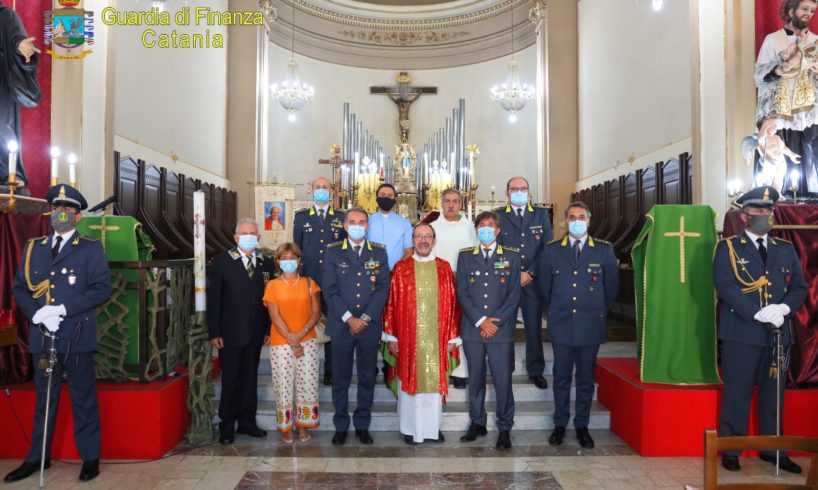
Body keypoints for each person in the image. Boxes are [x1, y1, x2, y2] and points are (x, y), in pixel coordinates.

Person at [6, 185, 110, 483]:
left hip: (76, 335)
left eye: (67, 210)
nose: (60, 214)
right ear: (49, 212)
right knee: (44, 401)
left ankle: (90, 458)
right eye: (56, 209)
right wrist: (37, 313)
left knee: (83, 399)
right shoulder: (33, 247)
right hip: (43, 336)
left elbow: (101, 288)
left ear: (77, 217)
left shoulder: (90, 247)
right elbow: (19, 288)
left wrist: (61, 309)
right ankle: (38, 458)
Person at [714, 186, 807, 474]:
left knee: (773, 395)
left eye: (768, 211)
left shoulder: (785, 249)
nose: (764, 216)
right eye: (758, 211)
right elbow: (726, 286)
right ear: (744, 216)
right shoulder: (727, 247)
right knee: (737, 393)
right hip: (741, 331)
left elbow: (799, 287)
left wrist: (783, 309)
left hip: (777, 333)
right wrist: (755, 312)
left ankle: (773, 449)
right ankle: (731, 449)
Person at [539, 202, 619, 449]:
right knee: (561, 377)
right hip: (561, 325)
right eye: (572, 217)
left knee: (585, 379)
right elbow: (545, 289)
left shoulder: (604, 250)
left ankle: (582, 425)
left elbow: (611, 290)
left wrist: (593, 312)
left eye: (581, 217)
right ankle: (560, 424)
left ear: (589, 220)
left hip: (590, 325)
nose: (576, 220)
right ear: (565, 221)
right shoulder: (552, 251)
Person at [382, 224, 460, 445]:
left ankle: (432, 428)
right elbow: (391, 304)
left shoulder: (444, 268)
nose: (423, 241)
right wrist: (392, 336)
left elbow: (454, 304)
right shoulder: (401, 268)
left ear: (434, 240)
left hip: (438, 337)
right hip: (407, 338)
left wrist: (453, 336)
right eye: (419, 237)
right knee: (410, 381)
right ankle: (410, 428)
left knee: (433, 383)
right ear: (413, 241)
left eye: (428, 236)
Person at [321, 208, 390, 446]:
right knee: (340, 378)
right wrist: (349, 318)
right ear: (345, 226)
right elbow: (329, 290)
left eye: (362, 222)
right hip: (341, 326)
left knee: (366, 377)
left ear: (368, 226)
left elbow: (382, 289)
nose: (357, 225)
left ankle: (362, 425)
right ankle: (341, 425)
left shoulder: (379, 253)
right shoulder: (332, 252)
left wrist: (366, 318)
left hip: (368, 327)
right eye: (352, 222)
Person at [456, 211, 521, 450]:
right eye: (482, 225)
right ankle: (478, 422)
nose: (486, 229)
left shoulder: (512, 257)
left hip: (500, 332)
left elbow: (514, 294)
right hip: (473, 330)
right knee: (475, 380)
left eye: (491, 226)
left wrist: (495, 322)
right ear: (476, 230)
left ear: (498, 231)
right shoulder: (465, 257)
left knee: (503, 381)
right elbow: (462, 292)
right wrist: (481, 320)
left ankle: (504, 427)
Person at [207, 218, 275, 445]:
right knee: (231, 380)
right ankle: (227, 425)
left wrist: (267, 329)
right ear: (236, 238)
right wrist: (214, 332)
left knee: (249, 379)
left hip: (255, 333)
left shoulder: (266, 263)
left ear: (258, 237)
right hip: (229, 333)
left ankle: (248, 422)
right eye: (244, 233)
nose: (249, 236)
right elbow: (214, 299)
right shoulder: (222, 262)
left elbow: (268, 301)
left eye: (253, 233)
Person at [754, 0, 818, 196]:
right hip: (780, 115)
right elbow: (759, 75)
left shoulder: (816, 41)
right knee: (781, 164)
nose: (809, 14)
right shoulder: (772, 40)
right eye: (804, 9)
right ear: (791, 11)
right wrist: (779, 69)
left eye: (812, 11)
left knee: (809, 159)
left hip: (809, 114)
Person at [495, 176, 553, 389]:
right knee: (505, 329)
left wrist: (530, 273)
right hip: (507, 284)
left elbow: (547, 247)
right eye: (514, 188)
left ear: (529, 192)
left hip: (532, 282)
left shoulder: (540, 214)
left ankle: (536, 370)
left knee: (534, 329)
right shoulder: (499, 215)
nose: (518, 191)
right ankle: (505, 369)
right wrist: (514, 275)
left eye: (523, 188)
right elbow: (496, 247)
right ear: (507, 193)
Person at [263, 243, 321, 443]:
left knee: (308, 384)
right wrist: (292, 339)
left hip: (308, 341)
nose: (289, 261)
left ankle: (303, 426)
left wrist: (301, 334)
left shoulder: (309, 283)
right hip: (281, 342)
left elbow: (316, 313)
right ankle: (286, 427)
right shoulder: (272, 285)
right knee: (283, 385)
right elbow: (275, 316)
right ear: (278, 262)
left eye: (292, 257)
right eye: (284, 258)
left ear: (299, 260)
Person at [294, 177, 346, 386]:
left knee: (333, 325)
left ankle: (331, 371)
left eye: (326, 187)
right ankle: (308, 369)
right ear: (311, 191)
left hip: (335, 282)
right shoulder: (301, 218)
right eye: (318, 187)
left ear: (332, 192)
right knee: (309, 325)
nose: (322, 190)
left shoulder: (341, 217)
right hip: (310, 281)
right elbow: (296, 251)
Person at [429, 188, 477, 389]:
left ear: (461, 204)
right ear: (441, 203)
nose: (450, 205)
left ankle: (461, 372)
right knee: (439, 326)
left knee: (462, 326)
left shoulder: (471, 229)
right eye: (447, 201)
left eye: (455, 201)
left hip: (464, 285)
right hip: (438, 283)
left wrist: (462, 274)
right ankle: (439, 368)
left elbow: (475, 255)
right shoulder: (432, 227)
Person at [0, 0, 41, 187]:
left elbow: (18, 41)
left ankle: (8, 173)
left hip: (0, 87)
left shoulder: (6, 16)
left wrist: (23, 50)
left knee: (2, 126)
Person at [366, 183, 413, 271]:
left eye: (390, 195)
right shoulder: (367, 221)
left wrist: (397, 269)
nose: (386, 198)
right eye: (382, 195)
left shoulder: (405, 223)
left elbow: (409, 252)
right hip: (370, 271)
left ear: (395, 199)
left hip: (396, 272)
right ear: (377, 198)